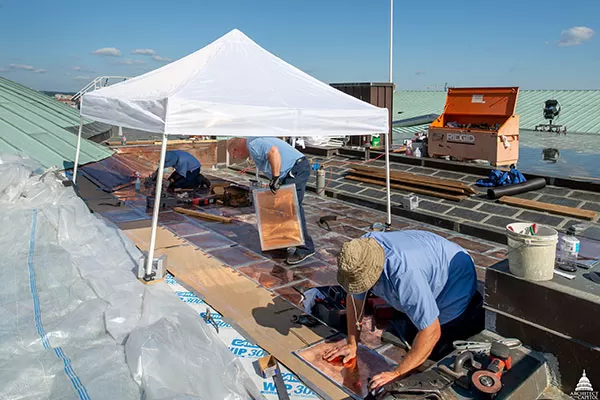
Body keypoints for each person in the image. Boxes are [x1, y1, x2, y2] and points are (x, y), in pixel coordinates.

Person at [323, 230, 484, 391]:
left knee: (436, 346)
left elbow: (432, 331)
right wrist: (352, 343)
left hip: (454, 278)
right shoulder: (358, 252)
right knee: (415, 322)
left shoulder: (405, 274)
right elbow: (354, 299)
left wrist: (397, 373)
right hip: (425, 262)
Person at [228, 137, 315, 265]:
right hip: (290, 171)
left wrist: (275, 178)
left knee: (291, 206)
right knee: (280, 206)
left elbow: (273, 152)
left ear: (236, 150)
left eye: (234, 155)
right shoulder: (253, 143)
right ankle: (283, 242)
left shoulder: (252, 143)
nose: (237, 158)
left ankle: (306, 248)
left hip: (295, 169)